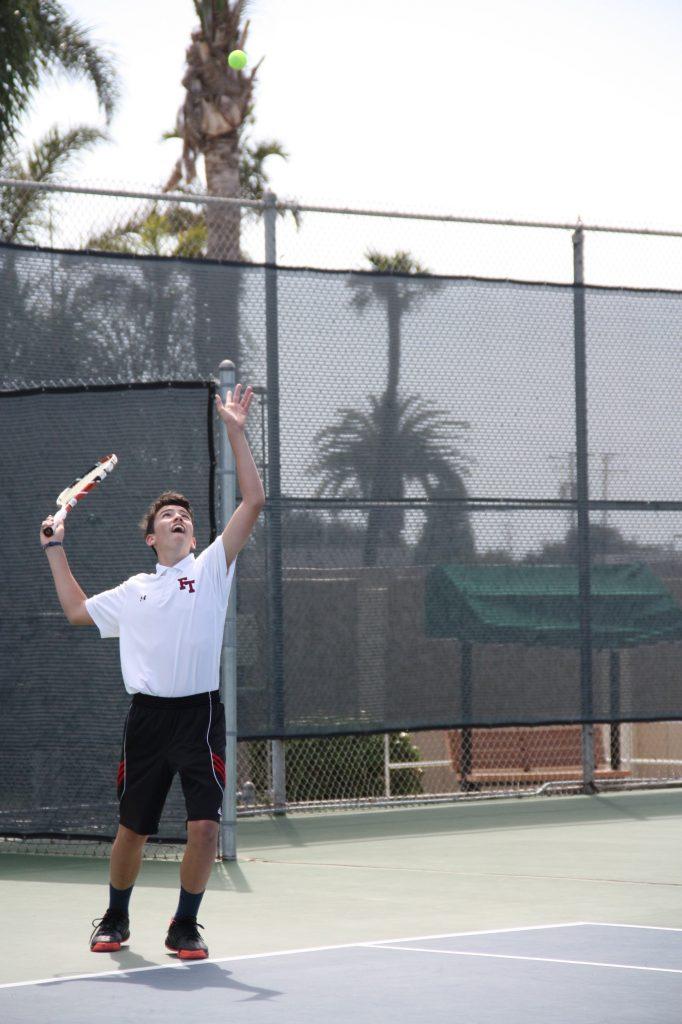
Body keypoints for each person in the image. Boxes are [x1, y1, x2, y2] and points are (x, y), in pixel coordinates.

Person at [40, 384, 265, 961]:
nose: (180, 518)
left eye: (185, 515)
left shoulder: (212, 568)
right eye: (169, 515)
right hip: (147, 719)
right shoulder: (133, 591)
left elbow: (253, 501)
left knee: (205, 830)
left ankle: (184, 925)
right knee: (132, 831)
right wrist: (55, 548)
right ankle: (115, 918)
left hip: (199, 715)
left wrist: (235, 430)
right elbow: (74, 611)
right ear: (151, 537)